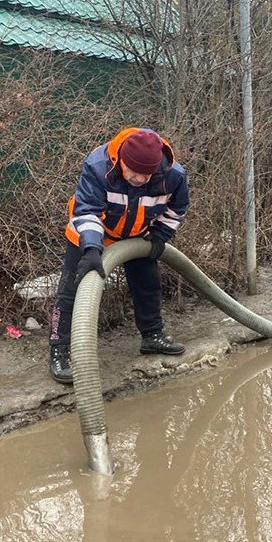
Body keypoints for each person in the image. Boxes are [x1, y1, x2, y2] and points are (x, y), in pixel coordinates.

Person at [49, 128, 189, 384]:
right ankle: (60, 350)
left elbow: (176, 209)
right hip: (91, 233)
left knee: (148, 285)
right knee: (71, 291)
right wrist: (91, 248)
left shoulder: (173, 176)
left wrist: (159, 235)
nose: (137, 179)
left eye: (145, 175)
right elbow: (87, 210)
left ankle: (152, 336)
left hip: (139, 235)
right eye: (132, 172)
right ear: (121, 161)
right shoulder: (98, 166)